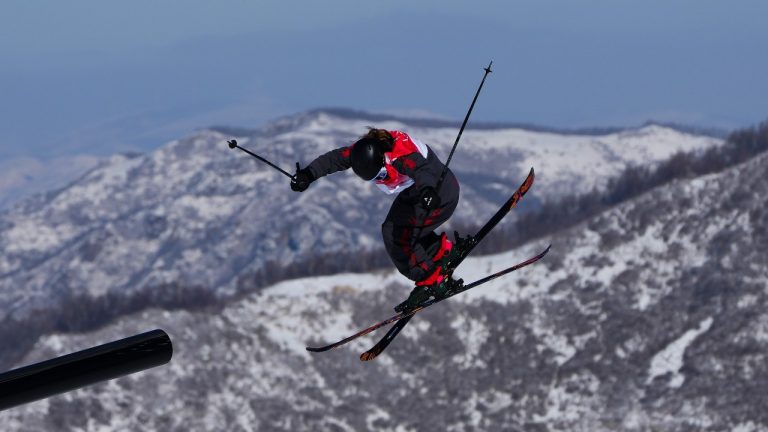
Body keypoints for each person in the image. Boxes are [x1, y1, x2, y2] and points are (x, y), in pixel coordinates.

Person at [290, 128, 463, 311]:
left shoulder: (398, 155)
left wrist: (428, 191)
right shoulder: (362, 151)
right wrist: (308, 174)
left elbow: (421, 169)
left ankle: (431, 280)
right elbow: (335, 158)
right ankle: (440, 253)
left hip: (437, 194)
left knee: (398, 237)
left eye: (380, 175)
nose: (380, 180)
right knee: (393, 228)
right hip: (423, 192)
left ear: (382, 158)